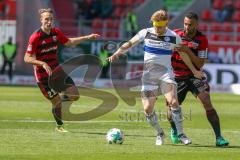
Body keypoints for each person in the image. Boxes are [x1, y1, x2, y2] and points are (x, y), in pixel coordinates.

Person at [108, 9, 203, 145]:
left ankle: (181, 134)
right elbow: (129, 43)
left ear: (166, 24)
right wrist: (117, 53)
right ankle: (159, 133)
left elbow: (183, 54)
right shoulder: (146, 32)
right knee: (147, 108)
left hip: (166, 75)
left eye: (160, 27)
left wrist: (194, 70)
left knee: (173, 102)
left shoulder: (173, 36)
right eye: (155, 26)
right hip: (149, 76)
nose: (157, 29)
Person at [24, 8, 100, 132]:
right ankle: (59, 125)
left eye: (51, 19)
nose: (49, 22)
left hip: (57, 71)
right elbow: (26, 58)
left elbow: (69, 42)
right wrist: (42, 63)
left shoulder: (56, 32)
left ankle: (57, 102)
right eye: (46, 19)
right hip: (43, 76)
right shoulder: (35, 37)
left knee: (75, 95)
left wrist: (87, 37)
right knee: (57, 102)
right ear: (41, 20)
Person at [167, 12, 229, 147]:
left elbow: (200, 63)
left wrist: (187, 50)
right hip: (176, 77)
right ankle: (174, 129)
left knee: (206, 100)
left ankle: (219, 137)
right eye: (185, 24)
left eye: (190, 24)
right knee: (171, 108)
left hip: (193, 76)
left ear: (197, 24)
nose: (187, 27)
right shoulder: (175, 34)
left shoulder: (202, 40)